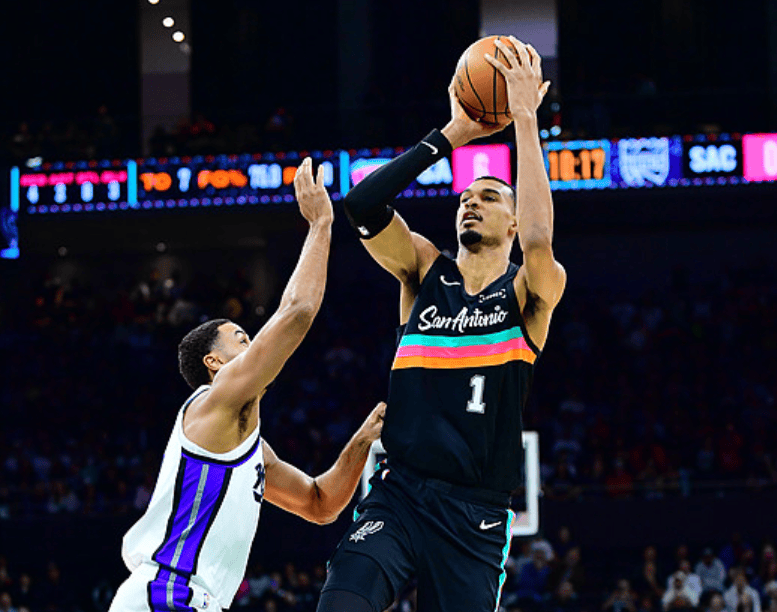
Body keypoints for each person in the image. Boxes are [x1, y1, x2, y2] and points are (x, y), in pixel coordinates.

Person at [318, 37, 565, 612]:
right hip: (399, 496)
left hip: (475, 514)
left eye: (489, 197)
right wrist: (452, 134)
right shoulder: (424, 270)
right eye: (464, 197)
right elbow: (362, 206)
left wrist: (524, 119)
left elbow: (539, 241)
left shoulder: (530, 292)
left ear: (512, 223)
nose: (470, 202)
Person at [108, 160, 385, 612]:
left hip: (193, 600)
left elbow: (320, 504)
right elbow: (296, 313)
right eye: (241, 338)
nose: (254, 344)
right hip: (168, 593)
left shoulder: (247, 444)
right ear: (214, 363)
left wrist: (362, 440)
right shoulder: (211, 403)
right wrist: (321, 224)